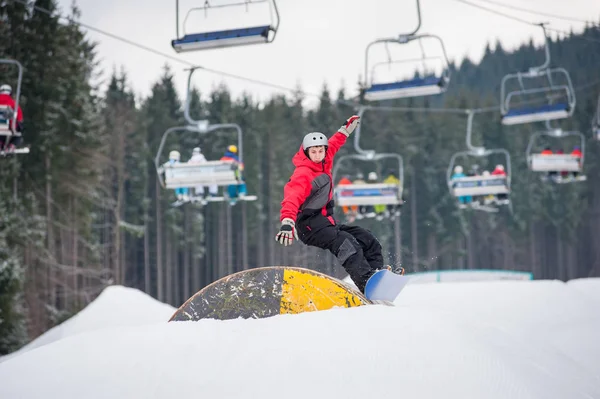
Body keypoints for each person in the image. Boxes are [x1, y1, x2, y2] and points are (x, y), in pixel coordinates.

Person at [275, 115, 404, 294]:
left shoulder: (325, 160)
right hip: (309, 227)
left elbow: (334, 144)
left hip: (327, 223)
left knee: (366, 237)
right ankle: (366, 283)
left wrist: (345, 130)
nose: (318, 155)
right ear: (306, 152)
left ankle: (376, 276)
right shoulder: (302, 174)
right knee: (346, 243)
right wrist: (287, 222)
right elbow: (291, 197)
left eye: (321, 151)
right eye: (313, 152)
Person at [0, 84, 24, 150]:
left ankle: (1, 144)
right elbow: (20, 118)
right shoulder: (13, 103)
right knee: (18, 131)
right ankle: (12, 145)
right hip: (9, 127)